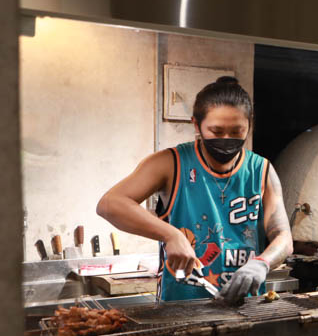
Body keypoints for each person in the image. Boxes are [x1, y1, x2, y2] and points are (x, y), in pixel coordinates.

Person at [97, 77, 293, 305]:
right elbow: (110, 204)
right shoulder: (171, 164)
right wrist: (171, 235)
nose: (227, 139)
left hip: (246, 308)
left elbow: (284, 238)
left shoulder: (262, 170)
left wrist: (262, 263)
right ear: (196, 125)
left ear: (249, 125)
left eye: (237, 130)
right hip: (180, 306)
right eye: (216, 131)